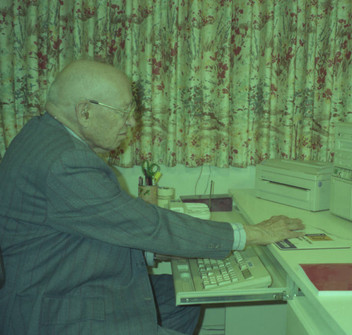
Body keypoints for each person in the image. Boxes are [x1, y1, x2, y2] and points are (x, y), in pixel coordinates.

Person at [0, 59, 304, 335]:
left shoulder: (43, 136)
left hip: (61, 281)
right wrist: (251, 234)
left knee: (181, 300)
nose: (132, 123)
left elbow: (96, 226)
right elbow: (148, 225)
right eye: (125, 112)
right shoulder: (64, 162)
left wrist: (157, 251)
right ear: (85, 111)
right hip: (59, 311)